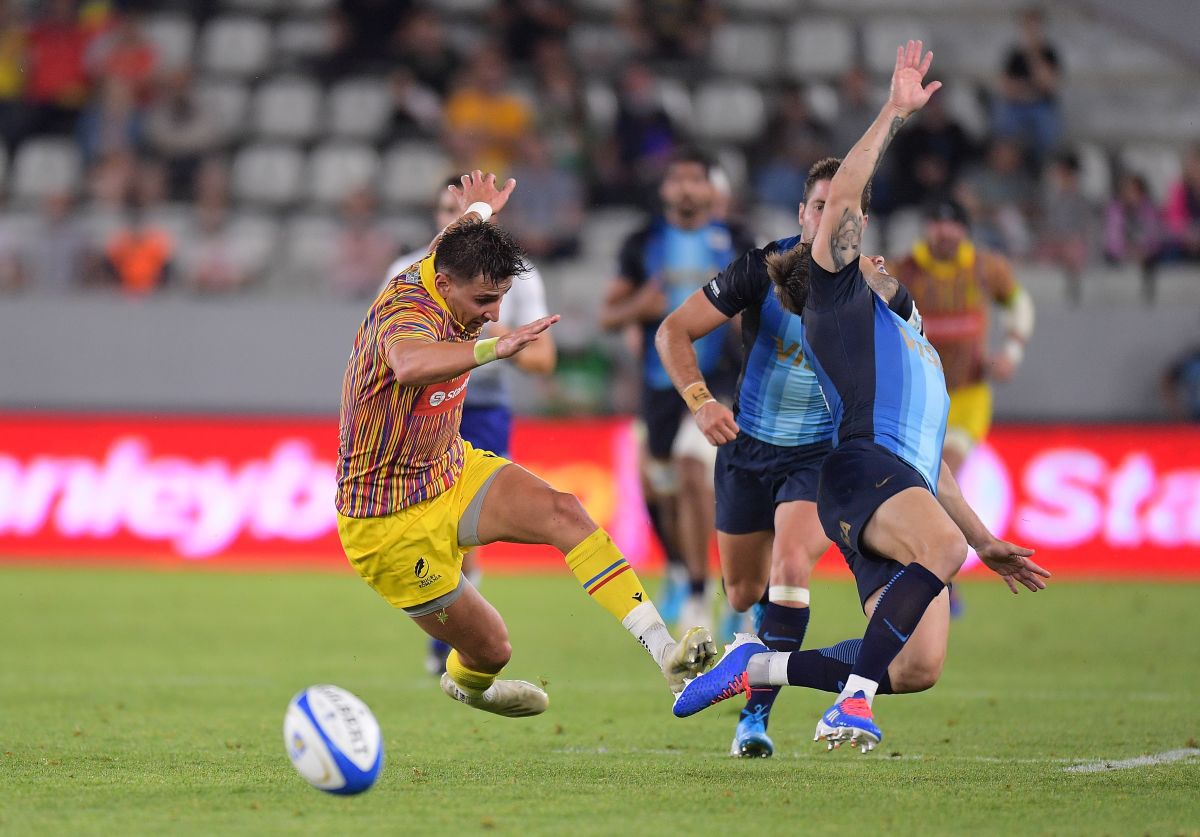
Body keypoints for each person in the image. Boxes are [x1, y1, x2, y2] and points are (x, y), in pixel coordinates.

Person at [672, 42, 1049, 751]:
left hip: (900, 479)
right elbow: (844, 197)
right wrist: (893, 113)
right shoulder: (837, 297)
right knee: (926, 555)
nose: (864, 255)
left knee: (917, 664)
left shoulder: (910, 333)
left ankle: (761, 665)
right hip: (855, 469)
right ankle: (852, 704)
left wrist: (982, 537)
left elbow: (932, 463)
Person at [337, 170, 716, 719]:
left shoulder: (447, 262)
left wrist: (481, 211)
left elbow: (459, 236)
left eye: (501, 301)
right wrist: (496, 348)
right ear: (444, 286)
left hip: (447, 470)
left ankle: (667, 657)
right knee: (493, 648)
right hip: (386, 522)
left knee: (565, 511)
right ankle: (470, 685)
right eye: (486, 301)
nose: (494, 314)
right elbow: (410, 363)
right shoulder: (406, 312)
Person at [656, 157, 921, 757]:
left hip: (820, 458)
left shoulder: (872, 286)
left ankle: (754, 719)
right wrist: (700, 402)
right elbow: (671, 331)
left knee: (793, 564)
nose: (827, 219)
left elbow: (912, 361)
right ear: (802, 214)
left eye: (841, 209)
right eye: (818, 206)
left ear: (859, 222)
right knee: (745, 590)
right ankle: (748, 645)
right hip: (746, 450)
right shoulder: (761, 268)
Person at [384, 176, 558, 677]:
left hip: (480, 408)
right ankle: (449, 628)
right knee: (422, 527)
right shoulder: (406, 273)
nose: (451, 220)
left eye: (459, 211)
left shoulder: (518, 281)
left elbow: (544, 360)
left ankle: (453, 641)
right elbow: (384, 343)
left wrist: (492, 332)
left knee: (459, 533)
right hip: (414, 410)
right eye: (445, 210)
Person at [600, 148, 755, 635]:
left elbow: (768, 303)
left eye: (696, 179)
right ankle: (689, 573)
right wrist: (639, 307)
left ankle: (700, 589)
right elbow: (609, 315)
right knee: (662, 491)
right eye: (678, 180)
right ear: (666, 190)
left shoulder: (736, 241)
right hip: (660, 383)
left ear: (713, 191)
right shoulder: (643, 243)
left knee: (693, 469)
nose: (687, 188)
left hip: (722, 382)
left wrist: (743, 322)